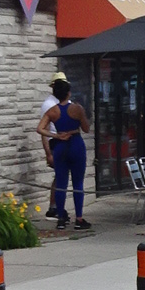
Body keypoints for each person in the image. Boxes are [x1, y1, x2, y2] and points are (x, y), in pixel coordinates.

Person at [37, 78, 92, 231]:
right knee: (78, 183)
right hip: (75, 144)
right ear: (68, 93)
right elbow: (86, 128)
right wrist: (77, 125)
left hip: (60, 145)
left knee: (61, 183)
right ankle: (79, 218)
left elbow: (40, 129)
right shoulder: (77, 108)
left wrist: (56, 136)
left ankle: (61, 218)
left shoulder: (52, 111)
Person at [40, 72, 67, 221]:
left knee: (60, 175)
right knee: (60, 175)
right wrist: (48, 153)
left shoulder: (61, 103)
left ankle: (55, 206)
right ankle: (54, 206)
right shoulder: (49, 105)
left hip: (63, 141)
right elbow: (44, 131)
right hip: (55, 141)